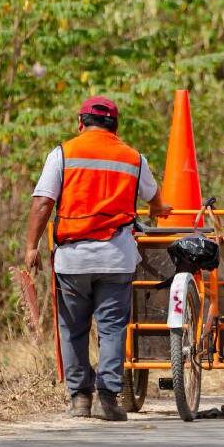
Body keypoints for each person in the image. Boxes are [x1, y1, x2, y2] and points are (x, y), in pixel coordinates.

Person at [23, 96, 172, 421]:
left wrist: (31, 246)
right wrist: (158, 209)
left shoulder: (63, 153)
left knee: (74, 329)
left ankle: (79, 399)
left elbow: (42, 204)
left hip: (72, 260)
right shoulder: (133, 158)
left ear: (80, 123)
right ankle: (107, 397)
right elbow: (154, 195)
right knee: (112, 329)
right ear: (115, 126)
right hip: (116, 259)